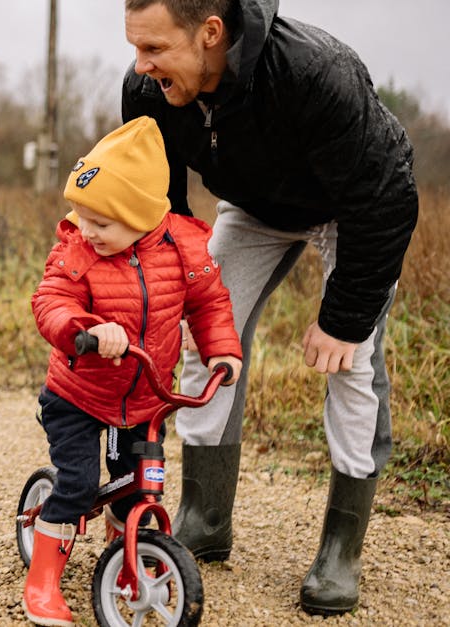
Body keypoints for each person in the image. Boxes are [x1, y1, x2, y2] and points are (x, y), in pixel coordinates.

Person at [123, 0, 419, 615]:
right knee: (207, 338)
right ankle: (204, 519)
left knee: (352, 364)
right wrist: (173, 288)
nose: (139, 65)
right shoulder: (149, 90)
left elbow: (385, 195)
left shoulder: (314, 73)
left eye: (154, 49)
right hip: (254, 208)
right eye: (135, 47)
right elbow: (165, 204)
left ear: (210, 33)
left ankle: (341, 550)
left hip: (351, 209)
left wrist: (342, 319)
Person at [24, 116, 243, 626]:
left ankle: (125, 553)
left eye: (101, 221)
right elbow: (50, 301)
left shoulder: (185, 247)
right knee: (77, 486)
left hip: (144, 397)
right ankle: (42, 582)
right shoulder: (77, 248)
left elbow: (209, 303)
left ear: (144, 214)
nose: (87, 230)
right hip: (76, 395)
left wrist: (222, 351)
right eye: (81, 215)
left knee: (139, 485)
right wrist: (86, 328)